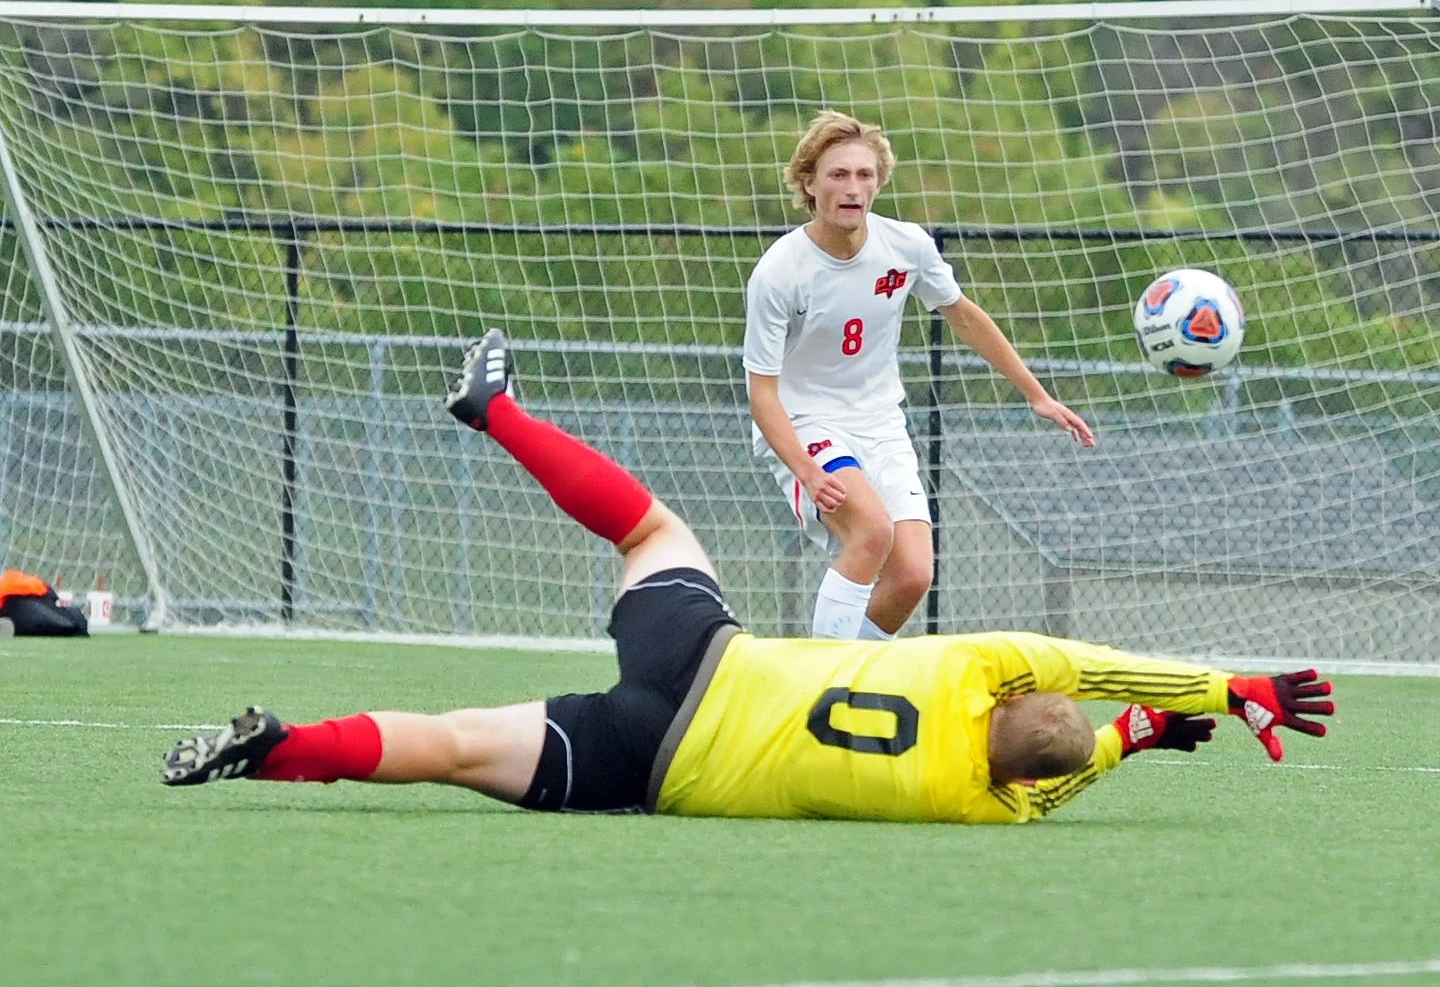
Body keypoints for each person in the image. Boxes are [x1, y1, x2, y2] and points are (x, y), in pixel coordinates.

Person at [161, 330, 1333, 823]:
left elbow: (1096, 665)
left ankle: (496, 409)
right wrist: (1129, 742)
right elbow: (1043, 787)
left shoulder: (979, 665)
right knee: (458, 746)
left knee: (652, 531)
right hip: (655, 763)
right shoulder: (974, 802)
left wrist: (1226, 689)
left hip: (705, 658)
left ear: (1009, 693)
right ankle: (279, 750)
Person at [744, 110, 1097, 641]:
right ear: (809, 183)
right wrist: (808, 472)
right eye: (838, 174)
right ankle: (820, 681)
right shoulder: (779, 273)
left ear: (878, 183)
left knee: (912, 575)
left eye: (865, 175)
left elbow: (963, 315)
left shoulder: (906, 246)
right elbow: (762, 394)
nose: (853, 187)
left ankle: (852, 674)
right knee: (871, 532)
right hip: (804, 424)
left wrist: (1037, 395)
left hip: (881, 424)